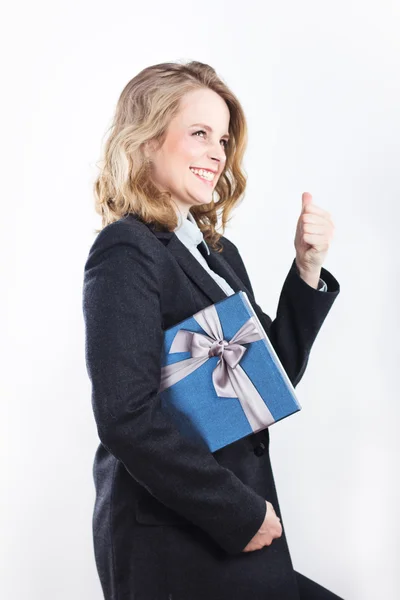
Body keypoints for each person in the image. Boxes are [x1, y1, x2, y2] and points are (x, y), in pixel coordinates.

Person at [82, 60, 343, 599]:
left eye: (222, 138)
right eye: (198, 133)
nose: (217, 152)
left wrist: (307, 268)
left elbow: (269, 376)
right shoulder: (126, 250)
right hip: (178, 536)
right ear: (147, 139)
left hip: (223, 530)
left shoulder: (217, 255)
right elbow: (125, 416)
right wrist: (239, 512)